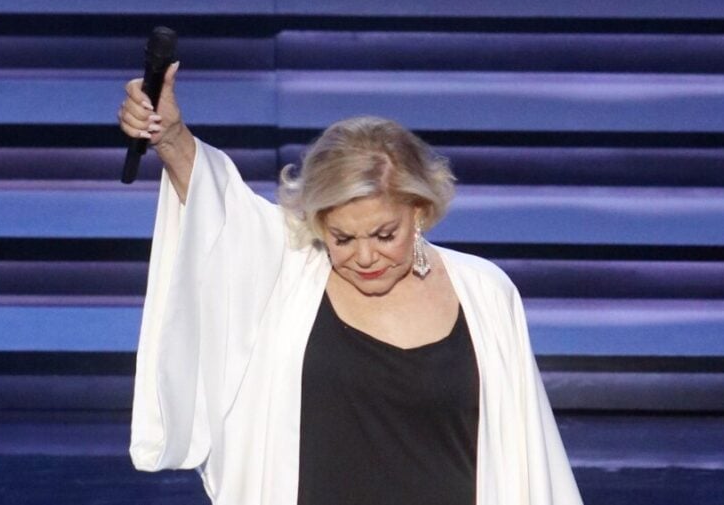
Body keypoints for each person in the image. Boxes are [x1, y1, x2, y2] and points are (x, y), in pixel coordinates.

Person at [117, 63, 583, 505]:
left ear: (419, 212)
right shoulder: (289, 273)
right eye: (342, 238)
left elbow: (527, 455)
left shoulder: (484, 293)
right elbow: (222, 216)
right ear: (318, 222)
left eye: (384, 235)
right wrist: (171, 136)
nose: (364, 257)